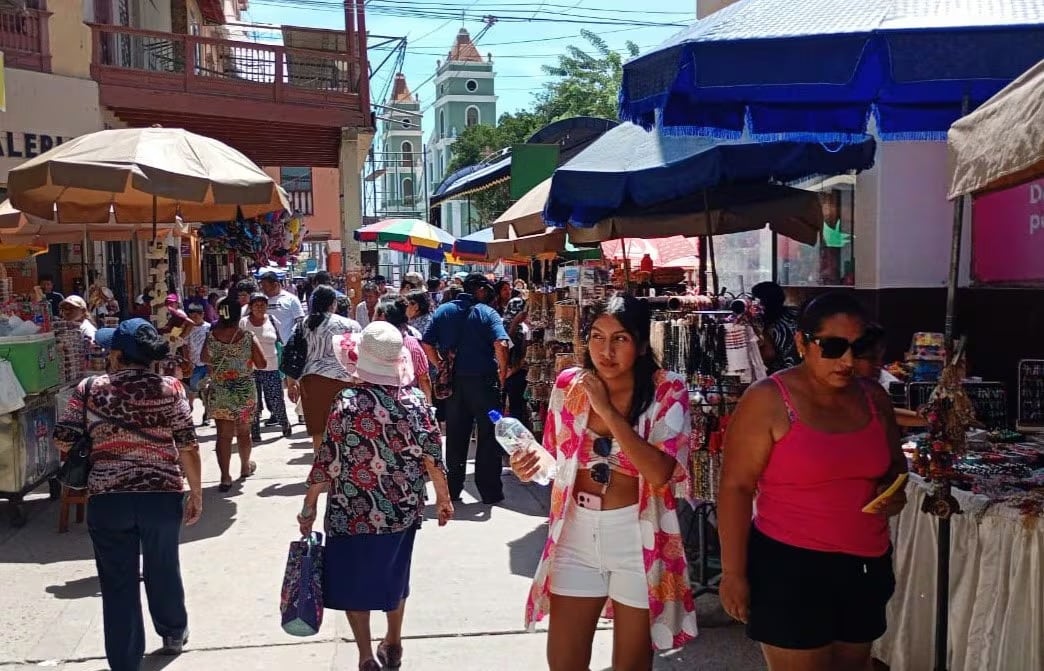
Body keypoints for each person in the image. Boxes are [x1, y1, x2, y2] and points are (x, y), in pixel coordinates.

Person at [717, 292, 908, 671]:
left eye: (858, 347)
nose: (848, 361)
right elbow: (736, 487)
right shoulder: (768, 400)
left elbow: (895, 468)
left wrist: (895, 492)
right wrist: (733, 573)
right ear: (802, 343)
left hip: (865, 565)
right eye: (833, 347)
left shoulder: (874, 399)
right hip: (790, 567)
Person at [510, 295, 697, 668]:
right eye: (596, 336)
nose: (605, 351)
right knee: (564, 662)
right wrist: (528, 464)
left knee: (632, 664)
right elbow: (555, 459)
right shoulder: (568, 384)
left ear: (641, 345)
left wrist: (607, 411)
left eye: (619, 339)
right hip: (575, 534)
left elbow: (659, 472)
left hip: (636, 536)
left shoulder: (667, 390)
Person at [298, 321, 452, 671]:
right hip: (402, 509)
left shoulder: (347, 403)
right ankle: (394, 641)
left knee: (354, 582)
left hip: (351, 510)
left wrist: (309, 506)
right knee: (394, 574)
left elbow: (327, 460)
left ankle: (366, 655)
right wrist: (443, 499)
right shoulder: (416, 402)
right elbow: (432, 456)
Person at [54, 319, 201, 670]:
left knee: (118, 582)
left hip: (108, 498)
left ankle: (125, 662)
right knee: (163, 565)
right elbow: (188, 445)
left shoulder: (90, 389)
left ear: (118, 355)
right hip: (161, 495)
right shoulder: (171, 388)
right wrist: (196, 492)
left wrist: (100, 439)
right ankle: (173, 632)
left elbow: (63, 439)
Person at [422, 273, 510, 505]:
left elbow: (427, 342)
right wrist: (502, 374)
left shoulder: (443, 311)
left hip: (454, 386)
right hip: (485, 385)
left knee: (455, 437)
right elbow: (501, 344)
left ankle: (453, 489)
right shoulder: (488, 313)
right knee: (489, 436)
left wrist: (440, 365)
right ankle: (490, 492)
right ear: (480, 290)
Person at [202, 297, 267, 492]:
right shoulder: (247, 337)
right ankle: (245, 466)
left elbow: (204, 358)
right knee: (244, 432)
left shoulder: (211, 336)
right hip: (244, 390)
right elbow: (262, 364)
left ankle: (225, 477)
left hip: (221, 389)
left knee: (223, 436)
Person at [286, 285, 361, 452]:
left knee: (319, 431)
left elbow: (292, 353)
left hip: (312, 382)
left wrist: (291, 383)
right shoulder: (351, 325)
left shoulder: (303, 325)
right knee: (346, 429)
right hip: (345, 382)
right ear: (333, 303)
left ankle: (320, 465)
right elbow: (358, 355)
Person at [241, 293, 292, 439]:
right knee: (253, 402)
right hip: (250, 368)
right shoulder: (244, 323)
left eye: (263, 305)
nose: (259, 308)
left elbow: (281, 341)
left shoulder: (272, 320)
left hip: (271, 366)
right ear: (250, 307)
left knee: (276, 399)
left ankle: (284, 423)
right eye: (256, 305)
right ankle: (255, 432)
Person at [375, 296, 432, 402]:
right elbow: (423, 378)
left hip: (377, 400)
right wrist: (428, 404)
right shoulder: (413, 345)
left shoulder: (372, 343)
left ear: (382, 317)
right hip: (407, 402)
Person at [751, 281, 800, 374]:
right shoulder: (795, 312)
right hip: (804, 368)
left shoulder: (769, 323)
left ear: (762, 302)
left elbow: (768, 355)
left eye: (754, 299)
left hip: (783, 372)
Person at [502, 297, 531, 430]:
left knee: (516, 408)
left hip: (515, 373)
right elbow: (505, 346)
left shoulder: (524, 328)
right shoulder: (503, 325)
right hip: (504, 371)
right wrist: (514, 323)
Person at [181, 304, 211, 426]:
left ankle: (207, 414)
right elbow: (184, 345)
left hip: (207, 364)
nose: (194, 319)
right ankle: (189, 409)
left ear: (202, 315)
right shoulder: (188, 329)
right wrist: (187, 360)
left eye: (196, 316)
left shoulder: (208, 328)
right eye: (191, 316)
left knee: (207, 390)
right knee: (193, 389)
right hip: (194, 364)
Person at [259, 271, 304, 344]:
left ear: (275, 284)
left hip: (287, 345)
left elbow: (300, 321)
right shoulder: (261, 300)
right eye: (261, 286)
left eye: (265, 286)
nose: (262, 289)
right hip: (267, 345)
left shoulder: (291, 299)